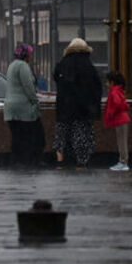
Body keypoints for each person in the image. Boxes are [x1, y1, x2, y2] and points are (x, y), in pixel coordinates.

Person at [52, 37, 102, 169]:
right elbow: (96, 87)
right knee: (82, 133)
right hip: (83, 107)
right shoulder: (88, 66)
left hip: (64, 105)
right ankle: (81, 162)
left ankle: (60, 161)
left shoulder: (62, 64)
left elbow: (57, 79)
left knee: (61, 133)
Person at [4, 43, 44, 167]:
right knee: (35, 136)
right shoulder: (23, 66)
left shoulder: (12, 65)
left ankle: (16, 161)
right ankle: (31, 161)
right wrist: (35, 101)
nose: (31, 56)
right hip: (23, 108)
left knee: (17, 137)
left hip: (10, 108)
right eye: (30, 54)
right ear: (26, 55)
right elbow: (28, 86)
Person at [104, 70, 131, 171]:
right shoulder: (118, 90)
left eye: (107, 82)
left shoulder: (114, 92)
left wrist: (111, 113)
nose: (106, 84)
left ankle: (123, 162)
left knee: (121, 142)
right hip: (122, 119)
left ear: (112, 82)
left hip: (120, 119)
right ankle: (123, 161)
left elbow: (117, 104)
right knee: (122, 141)